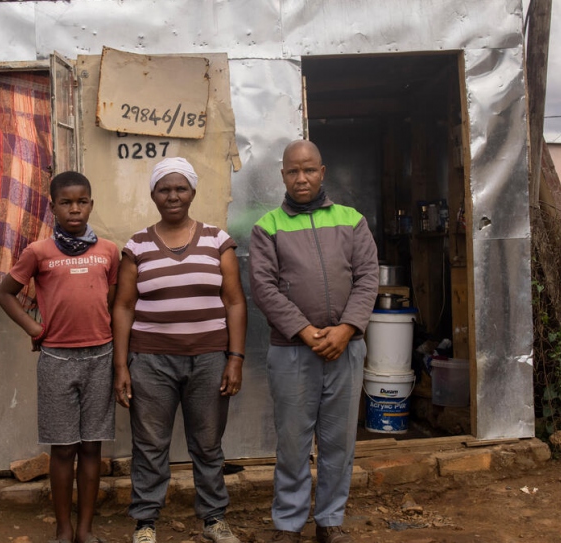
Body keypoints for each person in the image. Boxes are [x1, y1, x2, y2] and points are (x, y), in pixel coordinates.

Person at [249, 140, 379, 543]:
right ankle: (288, 525)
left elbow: (368, 277)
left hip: (346, 348)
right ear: (283, 176)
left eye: (308, 170)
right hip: (292, 351)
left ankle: (329, 522)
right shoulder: (267, 226)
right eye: (292, 171)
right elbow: (263, 287)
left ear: (322, 172)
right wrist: (305, 331)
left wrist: (347, 328)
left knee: (339, 442)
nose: (301, 178)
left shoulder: (351, 220)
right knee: (292, 443)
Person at [112, 157, 247, 543]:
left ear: (192, 192)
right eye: (164, 189)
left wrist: (234, 358)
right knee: (150, 444)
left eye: (180, 188)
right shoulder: (137, 245)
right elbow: (123, 306)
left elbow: (235, 302)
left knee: (207, 444)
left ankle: (214, 520)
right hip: (151, 362)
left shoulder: (217, 240)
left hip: (209, 359)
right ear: (153, 194)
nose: (173, 196)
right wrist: (121, 366)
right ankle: (145, 523)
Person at [0, 171, 119, 543]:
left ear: (91, 205)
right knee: (63, 447)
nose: (74, 209)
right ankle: (63, 529)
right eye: (66, 202)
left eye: (82, 201)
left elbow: (111, 301)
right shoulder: (39, 252)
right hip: (56, 361)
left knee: (91, 446)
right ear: (52, 207)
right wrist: (35, 330)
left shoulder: (109, 251)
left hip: (101, 357)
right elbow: (6, 293)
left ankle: (85, 529)